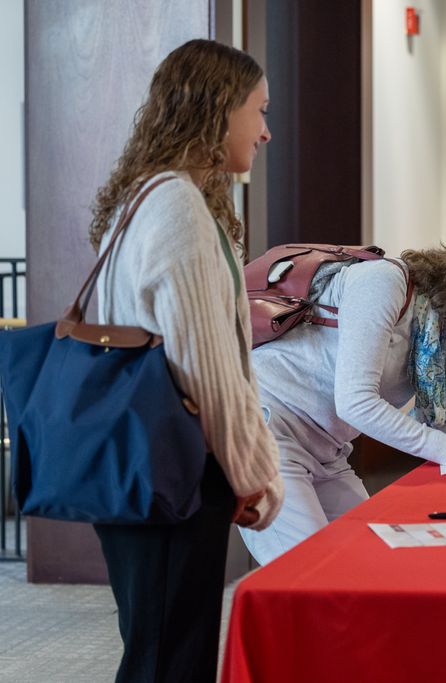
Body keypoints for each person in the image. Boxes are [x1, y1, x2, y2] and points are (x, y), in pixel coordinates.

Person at [88, 39, 284, 682]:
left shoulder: (140, 197)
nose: (265, 131)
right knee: (170, 660)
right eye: (258, 110)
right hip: (173, 471)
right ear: (217, 109)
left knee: (152, 646)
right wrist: (255, 474)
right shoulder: (176, 207)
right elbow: (209, 370)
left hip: (133, 463)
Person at [240, 225, 446, 565]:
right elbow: (354, 402)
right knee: (308, 576)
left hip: (327, 450)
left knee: (370, 565)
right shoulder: (384, 282)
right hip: (269, 435)